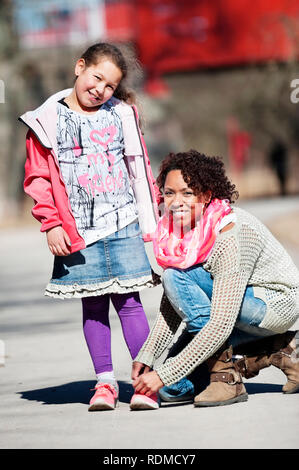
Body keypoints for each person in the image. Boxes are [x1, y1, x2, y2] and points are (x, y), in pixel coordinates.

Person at [20, 42, 162, 411]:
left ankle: (145, 382)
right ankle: (104, 384)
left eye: (110, 85)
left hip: (124, 221)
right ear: (80, 67)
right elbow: (38, 178)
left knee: (130, 303)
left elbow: (139, 166)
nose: (100, 89)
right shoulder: (46, 119)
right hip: (78, 229)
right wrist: (51, 224)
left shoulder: (123, 115)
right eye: (97, 77)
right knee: (94, 305)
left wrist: (152, 216)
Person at [131, 150, 299, 408]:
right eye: (169, 193)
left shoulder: (228, 231)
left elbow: (220, 322)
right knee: (173, 390)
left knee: (174, 276)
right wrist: (148, 356)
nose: (176, 202)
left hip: (271, 305)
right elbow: (173, 306)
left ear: (206, 195)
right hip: (231, 309)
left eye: (187, 193)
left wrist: (162, 374)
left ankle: (226, 378)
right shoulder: (182, 232)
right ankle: (278, 349)